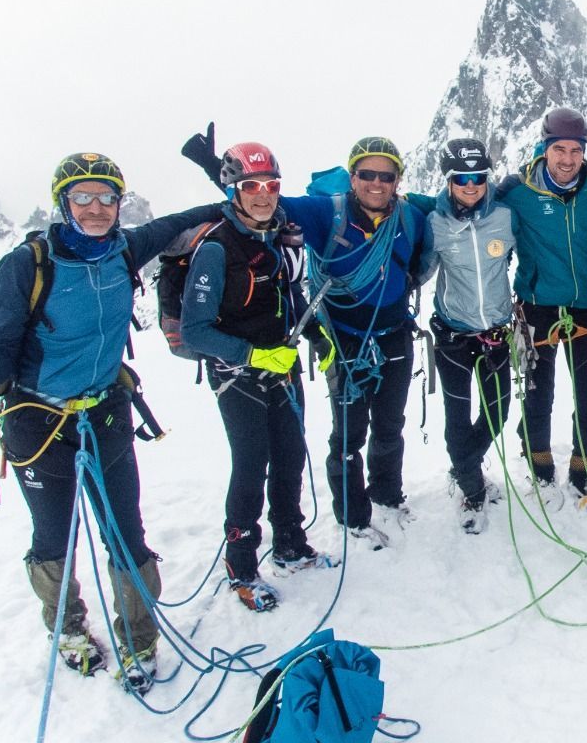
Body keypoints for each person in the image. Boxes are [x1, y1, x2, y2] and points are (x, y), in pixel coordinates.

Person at [0, 153, 219, 691]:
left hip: (105, 412)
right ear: (62, 203)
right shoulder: (27, 265)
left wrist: (243, 195)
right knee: (54, 536)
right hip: (38, 422)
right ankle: (67, 629)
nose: (95, 208)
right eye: (82, 197)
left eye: (107, 197)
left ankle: (138, 639)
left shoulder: (125, 248)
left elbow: (182, 221)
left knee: (125, 532)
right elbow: (0, 344)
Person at [183, 128, 434, 548]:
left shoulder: (411, 217)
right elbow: (264, 203)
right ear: (352, 178)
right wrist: (217, 169)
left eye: (386, 176)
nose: (376, 183)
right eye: (367, 174)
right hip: (344, 339)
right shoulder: (325, 213)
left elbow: (457, 207)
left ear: (397, 181)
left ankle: (387, 494)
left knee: (391, 424)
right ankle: (353, 517)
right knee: (349, 433)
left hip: (394, 335)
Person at [178, 142, 322, 612]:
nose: (263, 194)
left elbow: (290, 293)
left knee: (290, 457)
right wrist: (254, 355)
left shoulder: (280, 235)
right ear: (234, 191)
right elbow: (195, 330)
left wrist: (318, 336)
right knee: (250, 464)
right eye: (251, 186)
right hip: (237, 373)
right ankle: (241, 565)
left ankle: (290, 544)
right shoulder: (216, 249)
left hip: (282, 365)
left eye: (271, 185)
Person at [494, 107, 587, 508]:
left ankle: (582, 472)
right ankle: (541, 469)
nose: (567, 159)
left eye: (575, 150)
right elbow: (470, 204)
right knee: (537, 394)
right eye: (559, 149)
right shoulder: (517, 190)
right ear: (544, 148)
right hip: (537, 307)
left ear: (585, 151)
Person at [424, 137, 516, 534]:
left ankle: (464, 465)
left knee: (498, 412)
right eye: (462, 178)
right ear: (448, 180)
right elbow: (420, 268)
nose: (471, 185)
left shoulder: (505, 216)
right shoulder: (433, 221)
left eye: (479, 177)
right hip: (453, 336)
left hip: (495, 333)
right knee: (457, 417)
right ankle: (471, 488)